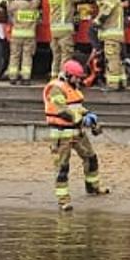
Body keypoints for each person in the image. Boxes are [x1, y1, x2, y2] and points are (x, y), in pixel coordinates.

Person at [43, 59, 109, 212]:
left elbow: (77, 107)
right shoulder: (55, 88)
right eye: (77, 77)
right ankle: (63, 200)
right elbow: (62, 110)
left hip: (77, 133)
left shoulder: (72, 87)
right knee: (62, 168)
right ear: (67, 75)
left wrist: (89, 115)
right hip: (61, 135)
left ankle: (93, 187)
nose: (79, 80)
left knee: (91, 158)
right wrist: (82, 119)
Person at [45, 0, 86, 79]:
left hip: (54, 31)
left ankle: (54, 77)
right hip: (65, 31)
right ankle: (62, 78)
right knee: (66, 55)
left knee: (56, 55)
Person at [0, 0, 41, 85]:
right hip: (30, 36)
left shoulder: (15, 5)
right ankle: (26, 78)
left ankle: (13, 77)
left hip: (16, 35)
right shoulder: (34, 4)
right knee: (27, 57)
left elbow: (3, 3)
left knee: (14, 56)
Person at [95, 0, 129, 91]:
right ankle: (122, 82)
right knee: (118, 60)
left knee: (112, 60)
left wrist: (96, 23)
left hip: (111, 36)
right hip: (115, 36)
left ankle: (112, 85)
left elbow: (105, 13)